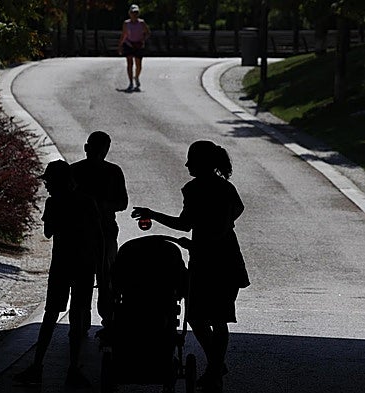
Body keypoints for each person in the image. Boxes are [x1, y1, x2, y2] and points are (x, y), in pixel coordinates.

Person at [131, 140, 250, 393]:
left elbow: (185, 225)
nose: (186, 164)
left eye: (190, 160)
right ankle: (216, 366)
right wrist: (223, 228)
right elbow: (238, 209)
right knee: (220, 318)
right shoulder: (226, 188)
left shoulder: (193, 190)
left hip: (205, 260)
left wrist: (153, 214)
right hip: (228, 257)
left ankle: (216, 366)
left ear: (202, 162)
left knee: (196, 317)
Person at [13, 160, 103, 388]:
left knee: (51, 315)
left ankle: (37, 365)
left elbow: (49, 231)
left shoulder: (54, 203)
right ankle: (73, 368)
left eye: (49, 182)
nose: (47, 187)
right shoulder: (87, 202)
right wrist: (102, 269)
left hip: (62, 264)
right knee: (77, 316)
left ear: (57, 182)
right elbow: (99, 238)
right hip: (84, 265)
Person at [71, 131, 128, 339]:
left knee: (89, 279)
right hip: (100, 232)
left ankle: (84, 321)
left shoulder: (75, 171)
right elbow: (122, 203)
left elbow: (123, 202)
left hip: (88, 234)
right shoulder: (113, 172)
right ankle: (104, 321)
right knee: (105, 279)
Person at [118, 4, 151, 91]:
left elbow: (147, 33)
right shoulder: (126, 23)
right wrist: (120, 45)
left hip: (138, 44)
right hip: (129, 44)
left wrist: (142, 40)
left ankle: (136, 77)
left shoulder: (141, 23)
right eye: (133, 12)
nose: (134, 14)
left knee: (138, 65)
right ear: (130, 13)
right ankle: (130, 83)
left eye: (136, 12)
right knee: (129, 64)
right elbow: (124, 35)